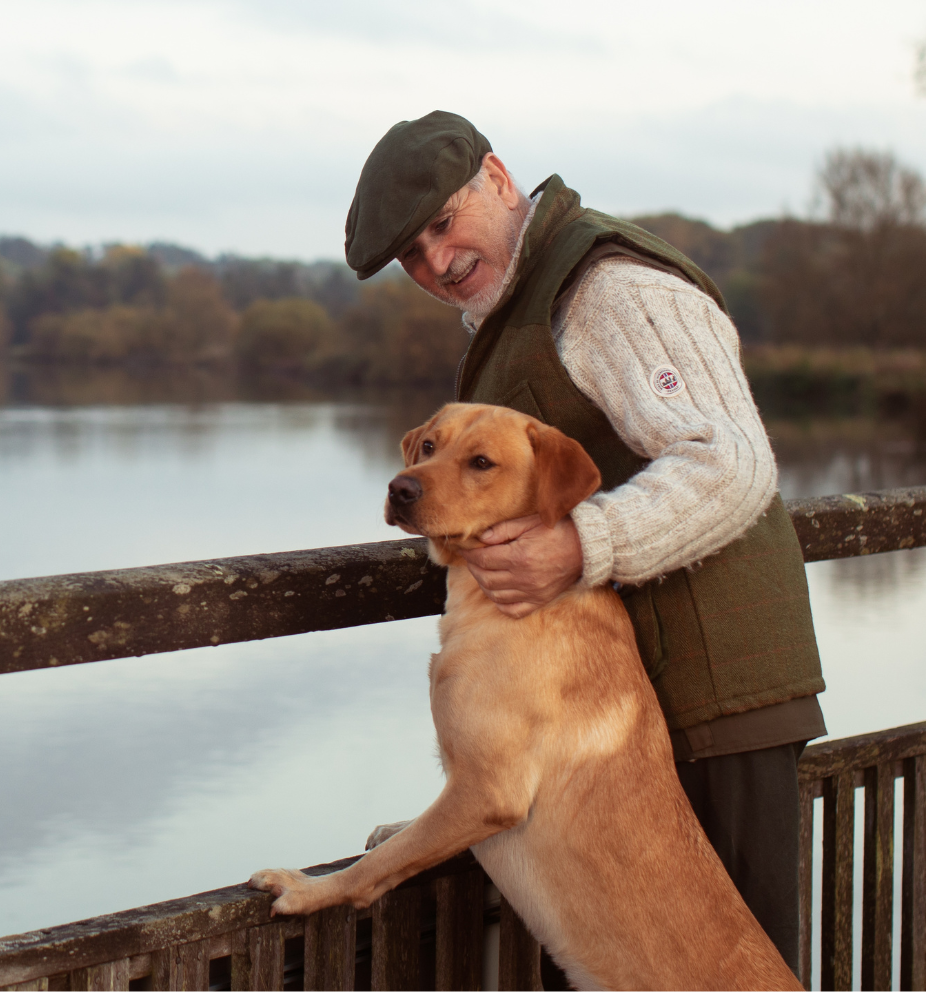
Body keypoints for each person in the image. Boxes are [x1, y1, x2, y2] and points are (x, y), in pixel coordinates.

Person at [344, 111, 825, 970]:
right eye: (410, 257)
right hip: (620, 715)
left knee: (731, 973)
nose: (435, 263)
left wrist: (579, 546)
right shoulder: (518, 304)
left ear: (498, 178)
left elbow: (733, 464)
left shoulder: (608, 289)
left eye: (443, 226)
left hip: (718, 698)